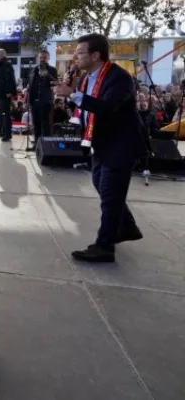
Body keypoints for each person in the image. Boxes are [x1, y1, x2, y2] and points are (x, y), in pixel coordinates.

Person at [53, 33, 147, 263]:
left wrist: (73, 94)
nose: (76, 56)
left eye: (80, 52)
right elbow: (84, 107)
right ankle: (127, 227)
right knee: (102, 186)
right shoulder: (86, 77)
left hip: (121, 144)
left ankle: (104, 247)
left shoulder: (119, 78)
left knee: (110, 195)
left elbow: (105, 108)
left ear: (96, 55)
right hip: (101, 143)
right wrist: (71, 91)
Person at [26, 49, 59, 148]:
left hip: (45, 101)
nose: (42, 60)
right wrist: (27, 100)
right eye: (40, 58)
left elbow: (56, 82)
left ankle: (45, 146)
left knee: (45, 124)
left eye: (44, 58)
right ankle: (37, 144)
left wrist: (47, 75)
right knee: (36, 124)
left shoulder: (52, 69)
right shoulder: (33, 70)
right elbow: (30, 85)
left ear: (48, 58)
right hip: (34, 100)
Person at [0, 48, 17, 142]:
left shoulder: (7, 65)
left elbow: (10, 79)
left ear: (1, 55)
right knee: (1, 114)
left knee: (6, 114)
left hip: (5, 94)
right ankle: (3, 131)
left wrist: (10, 92)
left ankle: (8, 134)